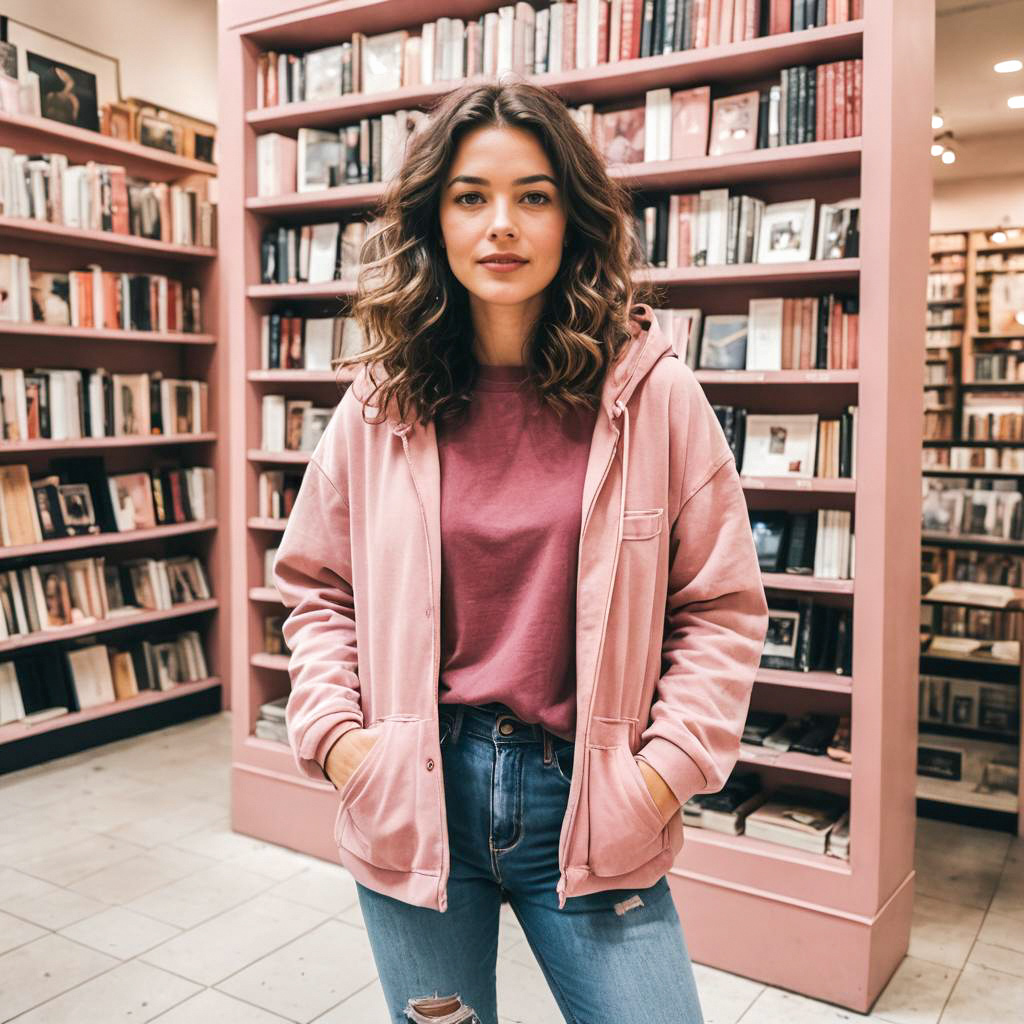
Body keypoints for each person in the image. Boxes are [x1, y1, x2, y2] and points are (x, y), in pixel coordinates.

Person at [273, 79, 769, 1024]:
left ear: (572, 218)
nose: (501, 225)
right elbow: (318, 589)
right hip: (415, 797)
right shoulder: (380, 402)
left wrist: (659, 774)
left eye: (533, 195)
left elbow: (721, 609)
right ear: (435, 221)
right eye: (471, 197)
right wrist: (342, 747)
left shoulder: (655, 397)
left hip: (588, 796)